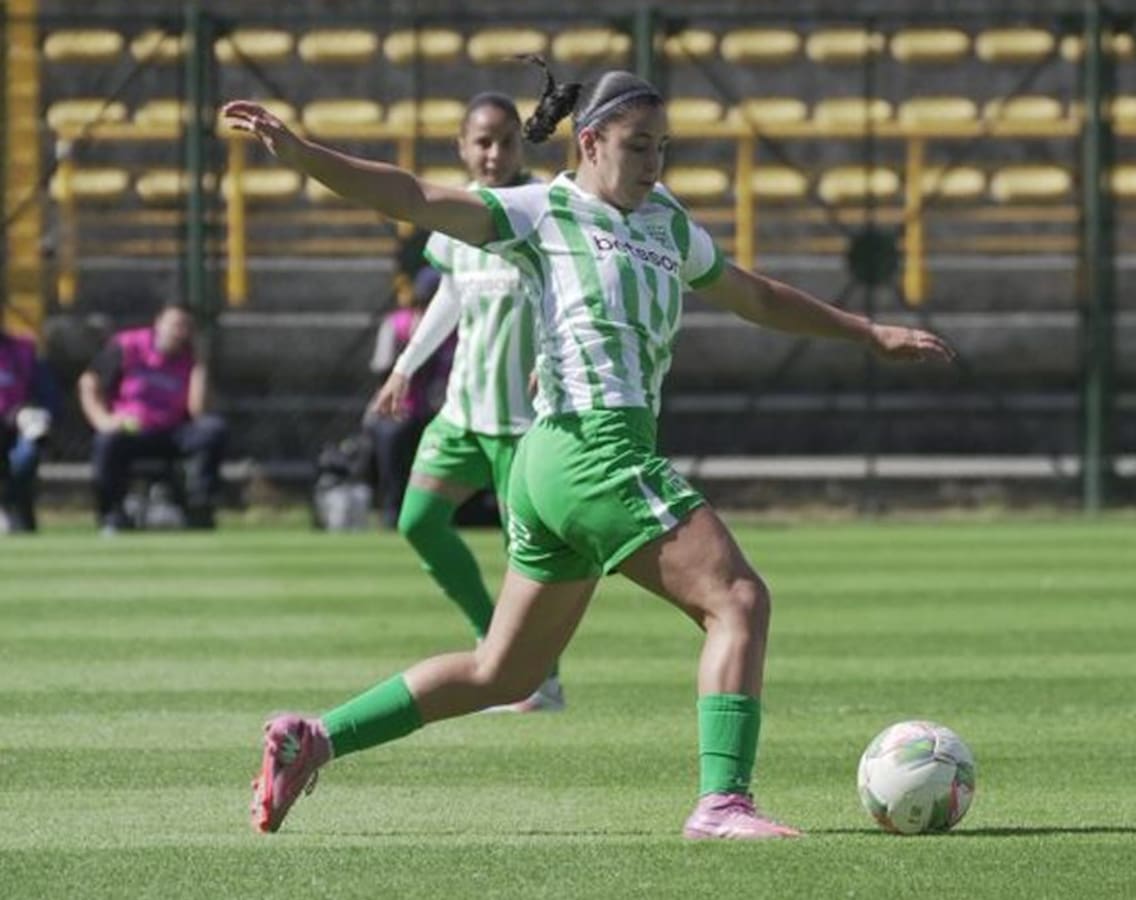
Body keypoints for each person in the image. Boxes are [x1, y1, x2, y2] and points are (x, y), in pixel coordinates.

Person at [224, 60, 954, 840]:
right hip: (592, 444)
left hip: (550, 463)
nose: (653, 163)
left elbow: (755, 295)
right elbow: (412, 196)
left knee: (506, 672)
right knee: (737, 600)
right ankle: (722, 804)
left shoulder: (668, 223)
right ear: (591, 141)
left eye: (663, 147)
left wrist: (867, 333)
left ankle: (316, 739)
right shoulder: (546, 211)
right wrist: (304, 156)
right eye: (639, 146)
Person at [377, 92, 561, 712]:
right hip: (461, 412)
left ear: (521, 145)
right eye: (482, 141)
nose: (494, 153)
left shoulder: (541, 212)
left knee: (526, 561)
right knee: (417, 523)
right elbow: (452, 295)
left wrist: (552, 357)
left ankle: (541, 678)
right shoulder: (454, 214)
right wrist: (406, 365)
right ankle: (492, 640)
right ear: (461, 147)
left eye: (506, 140)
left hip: (522, 423)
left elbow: (569, 294)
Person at [78, 301, 227, 532]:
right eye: (175, 324)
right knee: (106, 441)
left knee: (212, 430)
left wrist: (200, 364)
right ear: (159, 323)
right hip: (132, 430)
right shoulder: (128, 345)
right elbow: (89, 383)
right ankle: (111, 514)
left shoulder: (190, 358)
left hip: (173, 432)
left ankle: (200, 508)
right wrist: (102, 421)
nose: (179, 332)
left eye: (186, 327)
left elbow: (197, 410)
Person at [363, 264, 454, 529]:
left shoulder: (455, 329)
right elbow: (381, 368)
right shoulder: (397, 324)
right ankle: (390, 512)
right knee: (391, 447)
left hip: (438, 410)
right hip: (399, 410)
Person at [0, 325, 58, 533]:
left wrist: (38, 412)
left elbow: (49, 396)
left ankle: (15, 511)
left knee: (28, 452)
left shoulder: (23, 350)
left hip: (17, 428)